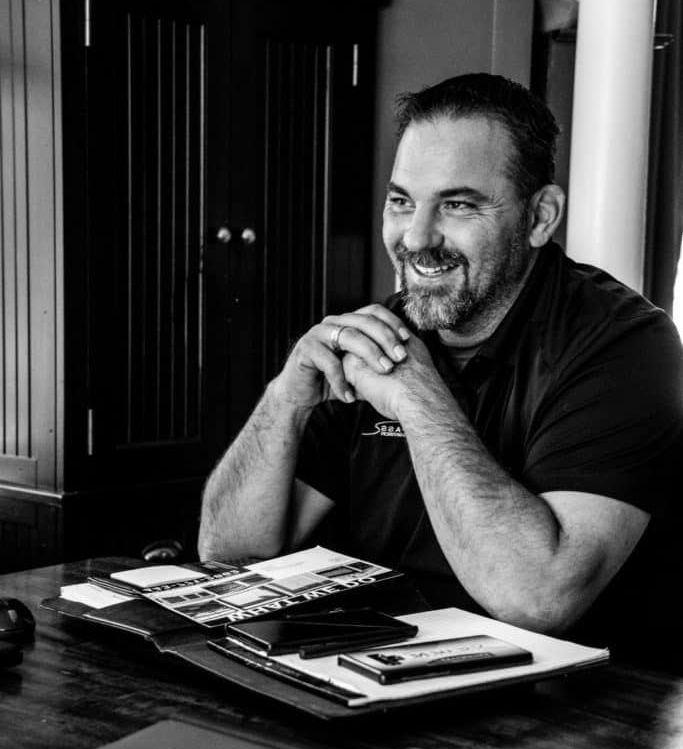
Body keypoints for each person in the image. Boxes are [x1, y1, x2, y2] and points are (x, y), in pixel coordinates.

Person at [198, 73, 683, 649]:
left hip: (559, 710)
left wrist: (420, 397)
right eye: (402, 202)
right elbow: (229, 554)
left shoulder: (625, 345)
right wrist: (285, 400)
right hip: (365, 667)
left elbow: (538, 599)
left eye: (457, 204)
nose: (417, 237)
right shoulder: (379, 331)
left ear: (539, 217)